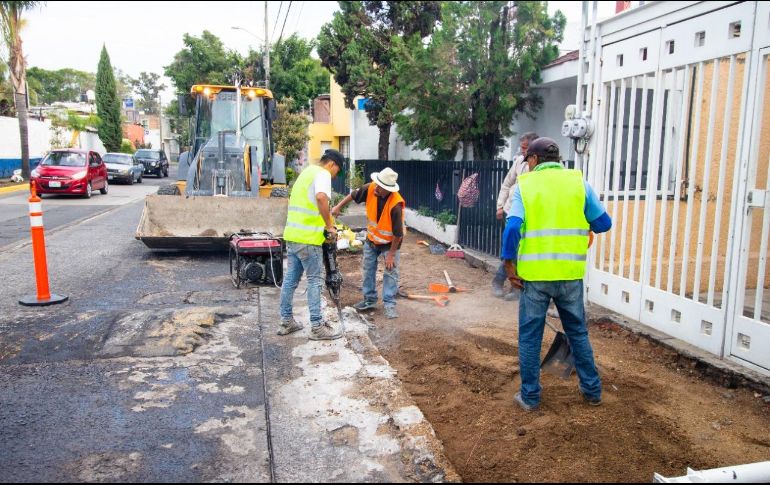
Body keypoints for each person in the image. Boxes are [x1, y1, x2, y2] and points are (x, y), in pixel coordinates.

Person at [501, 137, 612, 411]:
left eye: (527, 160)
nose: (526, 165)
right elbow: (604, 223)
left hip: (536, 278)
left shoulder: (525, 187)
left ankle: (530, 397)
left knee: (530, 337)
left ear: (535, 159)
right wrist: (584, 226)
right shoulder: (578, 183)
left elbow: (513, 227)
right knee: (578, 333)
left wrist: (508, 263)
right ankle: (592, 392)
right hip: (570, 276)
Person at [279, 149, 345, 340]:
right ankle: (317, 327)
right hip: (309, 239)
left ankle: (286, 322)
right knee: (315, 280)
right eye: (337, 171)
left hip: (292, 235)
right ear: (331, 164)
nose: (335, 175)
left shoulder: (306, 173)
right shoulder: (322, 173)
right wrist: (330, 226)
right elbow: (321, 198)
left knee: (290, 281)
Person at [332, 167, 405, 320]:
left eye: (380, 186)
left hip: (389, 244)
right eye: (377, 184)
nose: (376, 187)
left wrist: (391, 255)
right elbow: (353, 195)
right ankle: (369, 299)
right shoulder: (371, 188)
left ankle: (389, 304)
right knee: (368, 269)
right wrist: (338, 206)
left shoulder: (396, 205)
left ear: (388, 190)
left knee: (390, 272)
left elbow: (398, 234)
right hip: (372, 240)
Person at [492, 132, 538, 300]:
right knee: (511, 248)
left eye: (525, 149)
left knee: (521, 251)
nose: (522, 151)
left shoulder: (542, 166)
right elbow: (506, 184)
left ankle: (513, 287)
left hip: (532, 214)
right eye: (522, 148)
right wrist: (499, 206)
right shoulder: (519, 162)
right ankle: (503, 284)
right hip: (512, 212)